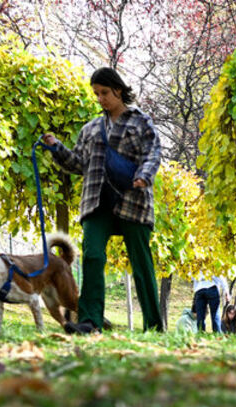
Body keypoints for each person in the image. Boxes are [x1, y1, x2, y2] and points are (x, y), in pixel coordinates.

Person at [44, 67, 163, 334]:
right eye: (96, 94)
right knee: (93, 257)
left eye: (105, 92)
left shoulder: (141, 122)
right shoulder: (91, 129)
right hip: (96, 203)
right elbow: (77, 164)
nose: (100, 98)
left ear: (118, 90)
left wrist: (144, 176)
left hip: (133, 200)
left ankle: (154, 326)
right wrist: (57, 147)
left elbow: (152, 154)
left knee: (142, 264)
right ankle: (90, 321)